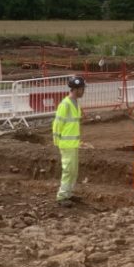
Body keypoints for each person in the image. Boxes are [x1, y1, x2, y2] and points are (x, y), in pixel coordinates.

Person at [52, 75, 85, 207]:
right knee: (68, 170)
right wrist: (56, 141)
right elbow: (57, 124)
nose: (83, 91)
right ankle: (62, 196)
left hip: (73, 143)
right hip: (66, 143)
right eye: (82, 89)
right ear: (76, 89)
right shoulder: (65, 104)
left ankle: (68, 193)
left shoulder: (75, 103)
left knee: (73, 170)